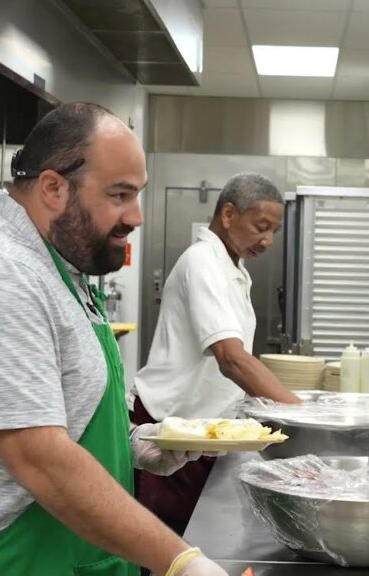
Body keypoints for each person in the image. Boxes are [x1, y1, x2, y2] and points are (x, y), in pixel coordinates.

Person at [0, 103, 226, 576]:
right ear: (53, 187)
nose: (137, 216)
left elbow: (57, 408)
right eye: (120, 194)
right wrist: (181, 560)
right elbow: (38, 456)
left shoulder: (57, 266)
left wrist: (132, 443)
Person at [131, 172, 301, 533]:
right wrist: (302, 416)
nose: (268, 240)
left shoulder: (231, 267)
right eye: (260, 226)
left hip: (201, 432)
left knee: (196, 538)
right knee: (170, 546)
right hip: (173, 431)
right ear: (227, 215)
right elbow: (231, 358)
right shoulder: (203, 262)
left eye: (274, 231)